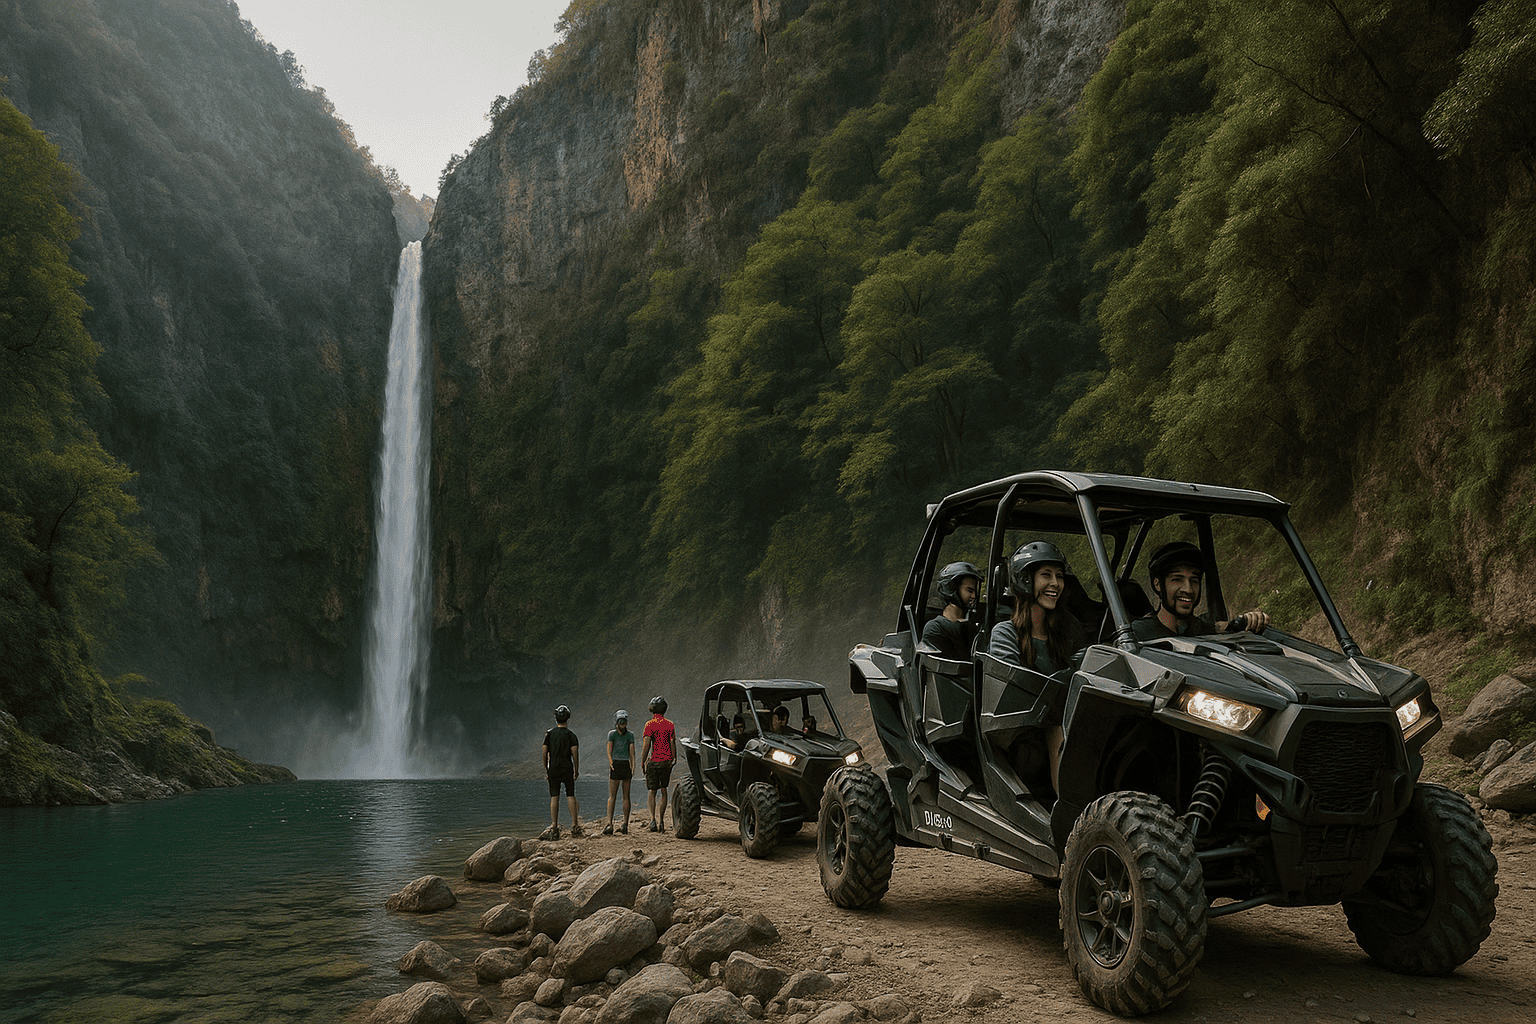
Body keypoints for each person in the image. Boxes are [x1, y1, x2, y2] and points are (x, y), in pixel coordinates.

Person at [988, 541, 1086, 792]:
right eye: (1046, 575)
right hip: (1022, 730)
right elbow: (1009, 689)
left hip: (1070, 720)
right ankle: (1067, 813)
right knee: (1057, 727)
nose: (1055, 583)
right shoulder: (1005, 633)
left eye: (1059, 576)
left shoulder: (1069, 630)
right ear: (1025, 580)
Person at [1131, 541, 1271, 641]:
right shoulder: (1137, 635)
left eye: (1194, 581)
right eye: (1177, 579)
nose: (1188, 589)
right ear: (1158, 585)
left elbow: (1225, 627)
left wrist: (1250, 620)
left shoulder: (1201, 629)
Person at [921, 561, 982, 658]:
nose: (974, 596)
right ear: (952, 589)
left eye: (975, 591)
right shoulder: (935, 628)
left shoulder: (971, 628)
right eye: (969, 590)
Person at [542, 705, 582, 839]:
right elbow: (575, 754)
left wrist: (546, 768)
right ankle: (575, 826)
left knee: (554, 796)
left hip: (553, 768)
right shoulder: (571, 736)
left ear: (556, 718)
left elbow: (544, 751)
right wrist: (576, 769)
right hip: (567, 768)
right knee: (570, 795)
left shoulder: (549, 734)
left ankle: (554, 827)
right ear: (567, 718)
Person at [640, 695, 676, 832]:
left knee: (652, 791)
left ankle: (652, 820)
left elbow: (647, 745)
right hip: (666, 762)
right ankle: (662, 821)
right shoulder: (670, 724)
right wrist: (674, 757)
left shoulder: (649, 724)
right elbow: (672, 742)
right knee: (664, 790)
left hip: (654, 762)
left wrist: (642, 761)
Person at [603, 710, 634, 835]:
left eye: (623, 722)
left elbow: (610, 750)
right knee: (623, 796)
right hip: (621, 764)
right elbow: (610, 750)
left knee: (614, 796)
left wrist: (611, 762)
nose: (622, 724)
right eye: (621, 722)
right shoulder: (626, 735)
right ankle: (619, 824)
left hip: (619, 764)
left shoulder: (613, 734)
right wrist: (633, 766)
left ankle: (613, 824)